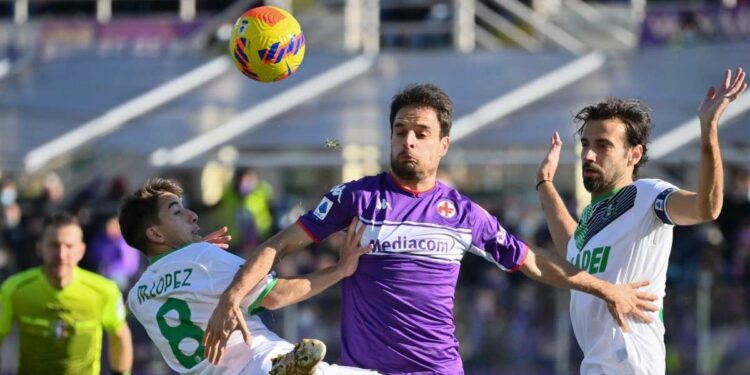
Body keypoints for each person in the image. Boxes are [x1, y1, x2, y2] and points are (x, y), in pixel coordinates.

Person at [202, 83, 660, 374]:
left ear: (443, 144)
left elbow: (536, 263)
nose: (408, 140)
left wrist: (607, 290)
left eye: (421, 132)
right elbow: (277, 246)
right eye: (400, 130)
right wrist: (232, 296)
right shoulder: (355, 198)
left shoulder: (463, 214)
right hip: (366, 371)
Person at [535, 68, 746, 374]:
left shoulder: (647, 196)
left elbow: (706, 208)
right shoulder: (592, 217)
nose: (589, 155)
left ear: (634, 155)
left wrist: (708, 129)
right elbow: (571, 248)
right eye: (585, 144)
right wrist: (545, 184)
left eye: (603, 145)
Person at [118, 178, 378, 374]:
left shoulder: (137, 298)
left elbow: (182, 286)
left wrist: (188, 254)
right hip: (263, 363)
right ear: (156, 235)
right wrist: (341, 269)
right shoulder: (203, 259)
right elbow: (275, 296)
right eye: (176, 212)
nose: (192, 215)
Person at [0, 212, 133, 375]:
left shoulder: (104, 291)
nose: (61, 255)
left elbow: (119, 335)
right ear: (40, 247)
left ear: (81, 250)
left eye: (69, 246)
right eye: (54, 245)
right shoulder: (15, 289)